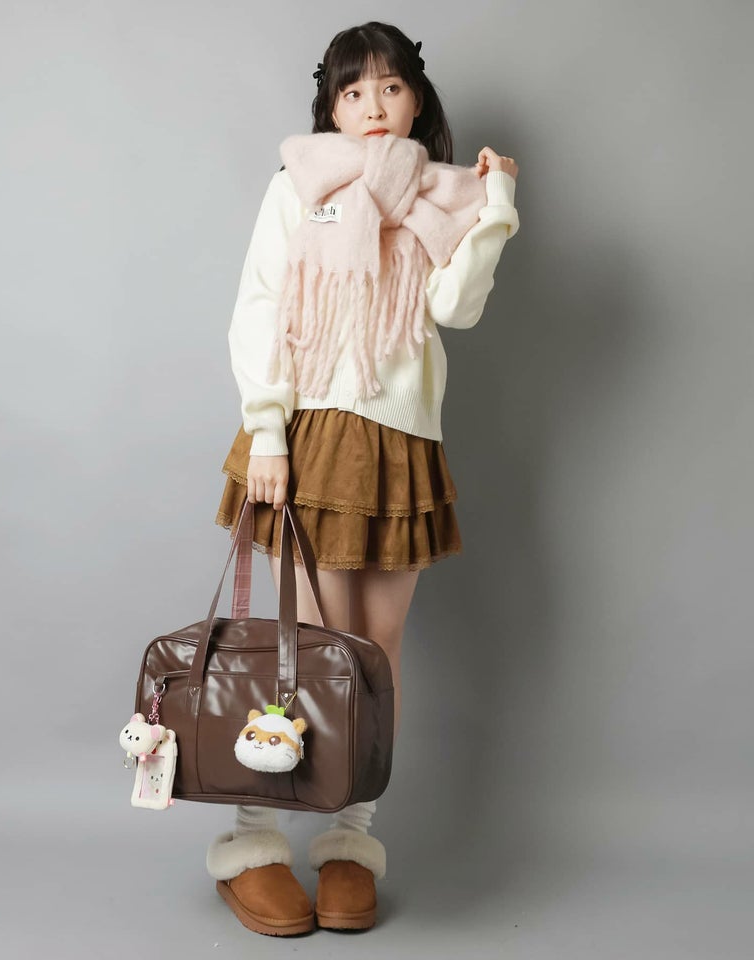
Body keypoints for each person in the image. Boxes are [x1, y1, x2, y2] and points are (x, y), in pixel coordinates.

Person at [206, 20, 520, 936]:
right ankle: (253, 841)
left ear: (416, 100)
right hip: (306, 433)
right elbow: (260, 306)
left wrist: (495, 208)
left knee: (375, 659)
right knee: (301, 648)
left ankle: (350, 838)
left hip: (399, 440)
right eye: (352, 92)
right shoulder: (299, 185)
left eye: (389, 87)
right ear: (331, 110)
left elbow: (455, 307)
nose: (372, 106)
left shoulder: (442, 193)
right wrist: (268, 432)